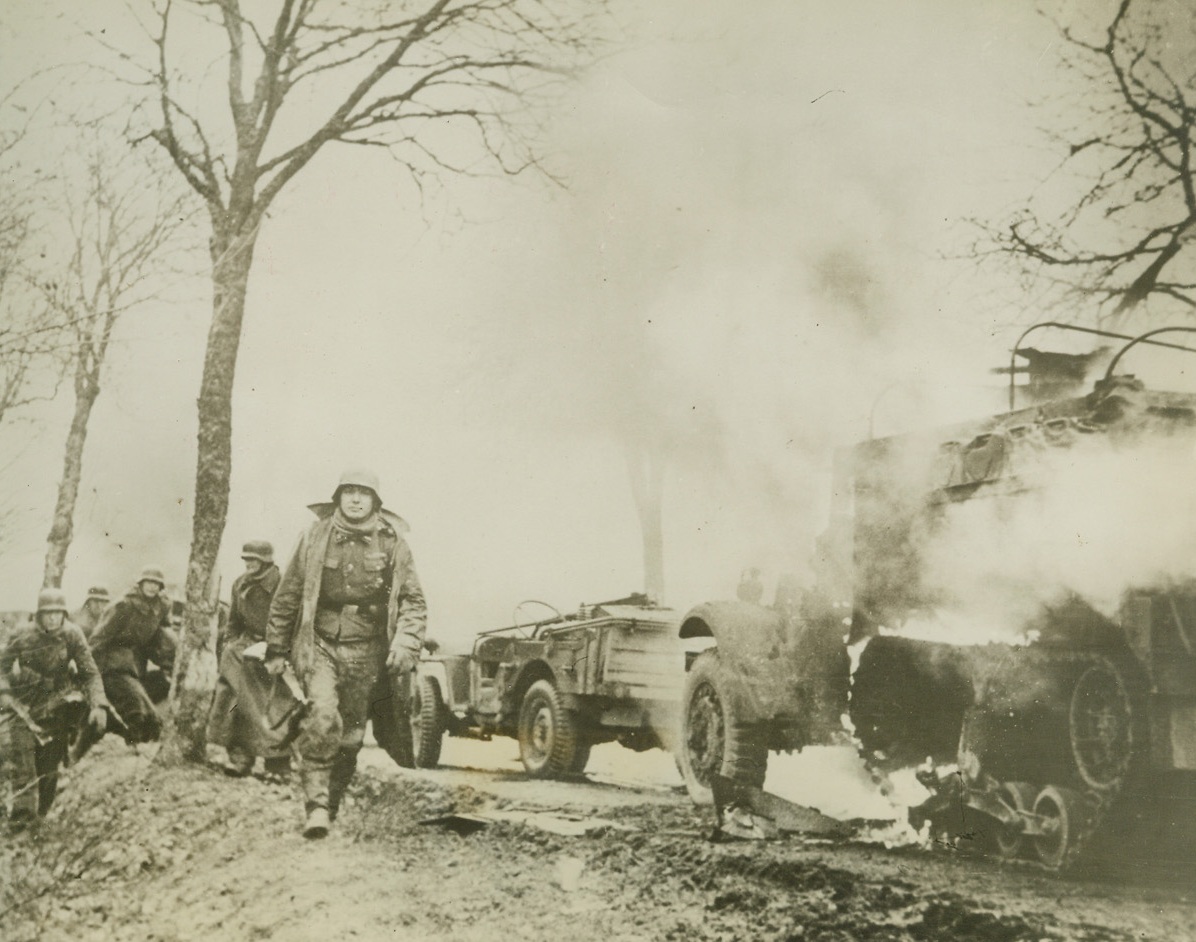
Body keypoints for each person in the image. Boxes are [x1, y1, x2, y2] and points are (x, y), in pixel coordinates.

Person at [265, 469, 426, 838]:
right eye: (348, 491)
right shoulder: (314, 536)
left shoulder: (393, 542)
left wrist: (406, 642)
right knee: (322, 715)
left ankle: (331, 803)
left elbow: (413, 601)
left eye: (363, 493)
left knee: (351, 735)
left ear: (375, 501)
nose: (355, 499)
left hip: (368, 649)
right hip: (318, 641)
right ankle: (316, 806)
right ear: (337, 497)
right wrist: (276, 647)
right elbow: (288, 594)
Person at [0, 589, 109, 828]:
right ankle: (21, 821)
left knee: (49, 770)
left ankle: (40, 821)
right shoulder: (23, 633)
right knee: (23, 765)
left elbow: (90, 673)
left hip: (56, 705)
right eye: (47, 613)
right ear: (39, 614)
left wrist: (99, 704)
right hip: (23, 704)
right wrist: (5, 693)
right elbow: (2, 667)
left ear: (64, 614)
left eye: (57, 613)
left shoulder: (72, 634)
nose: (52, 618)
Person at [206, 540, 292, 778]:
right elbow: (233, 622)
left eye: (254, 559)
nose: (249, 563)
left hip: (275, 650)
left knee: (273, 706)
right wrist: (232, 644)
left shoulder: (283, 584)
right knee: (234, 700)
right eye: (246, 559)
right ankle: (241, 757)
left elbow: (292, 621)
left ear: (266, 561)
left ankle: (278, 764)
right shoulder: (240, 584)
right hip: (243, 649)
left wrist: (280, 651)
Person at [88, 567, 176, 743]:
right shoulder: (123, 605)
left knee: (153, 718)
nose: (152, 587)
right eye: (148, 582)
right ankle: (130, 745)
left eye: (156, 583)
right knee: (136, 710)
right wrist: (88, 669)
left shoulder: (161, 606)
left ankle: (141, 746)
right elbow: (99, 638)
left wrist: (170, 662)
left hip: (133, 660)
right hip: (110, 661)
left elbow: (162, 633)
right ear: (140, 583)